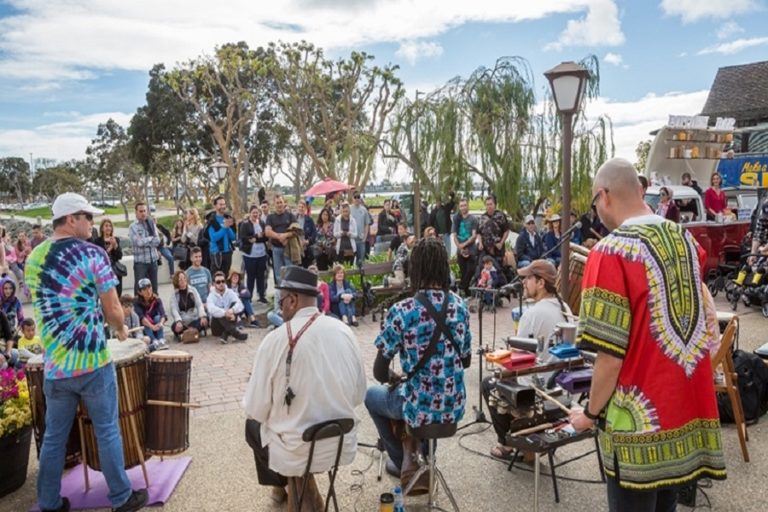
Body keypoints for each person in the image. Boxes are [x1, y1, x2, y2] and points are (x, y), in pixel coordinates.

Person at [570, 158, 726, 510]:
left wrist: (589, 414)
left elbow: (609, 355)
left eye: (595, 204)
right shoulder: (686, 241)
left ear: (603, 196)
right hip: (682, 416)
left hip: (635, 429)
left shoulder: (609, 252)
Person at [25, 192, 147, 512]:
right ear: (70, 219)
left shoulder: (34, 258)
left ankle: (49, 502)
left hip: (56, 367)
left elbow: (42, 302)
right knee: (107, 431)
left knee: (54, 438)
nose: (92, 223)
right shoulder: (93, 254)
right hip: (93, 361)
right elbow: (114, 309)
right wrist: (120, 328)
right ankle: (121, 498)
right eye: (87, 217)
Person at [243, 266, 366, 507]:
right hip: (341, 443)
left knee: (252, 426)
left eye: (281, 302)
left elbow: (255, 409)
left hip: (297, 450)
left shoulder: (274, 340)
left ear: (292, 300)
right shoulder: (344, 331)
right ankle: (296, 486)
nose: (280, 308)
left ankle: (286, 486)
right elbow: (359, 394)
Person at [364, 238, 472, 493]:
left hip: (417, 408)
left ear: (415, 270)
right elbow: (465, 361)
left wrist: (394, 377)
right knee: (425, 395)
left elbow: (379, 372)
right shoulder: (459, 306)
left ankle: (402, 460)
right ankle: (425, 458)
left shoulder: (402, 310)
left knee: (371, 396)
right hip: (452, 408)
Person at [481, 260, 572, 460]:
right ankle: (527, 443)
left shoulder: (531, 315)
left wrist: (500, 356)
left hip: (536, 396)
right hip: (561, 391)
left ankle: (510, 445)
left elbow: (517, 361)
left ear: (541, 283)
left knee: (489, 384)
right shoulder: (564, 306)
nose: (523, 282)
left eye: (528, 278)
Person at [206, 271, 248, 344]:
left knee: (235, 305)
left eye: (223, 281)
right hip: (216, 328)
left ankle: (225, 334)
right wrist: (225, 313)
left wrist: (232, 310)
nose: (221, 284)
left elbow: (240, 305)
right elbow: (211, 309)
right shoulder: (211, 296)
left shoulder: (230, 292)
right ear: (214, 284)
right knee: (218, 312)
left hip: (229, 322)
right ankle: (236, 334)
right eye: (218, 282)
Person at [239, 205, 269, 304]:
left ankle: (261, 295)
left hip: (262, 254)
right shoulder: (245, 224)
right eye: (253, 213)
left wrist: (256, 239)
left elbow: (266, 237)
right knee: (250, 276)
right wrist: (256, 236)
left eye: (257, 213)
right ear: (250, 213)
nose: (255, 215)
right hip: (249, 255)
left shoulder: (262, 223)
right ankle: (249, 296)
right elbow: (243, 238)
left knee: (261, 276)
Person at [129, 202, 161, 294]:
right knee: (139, 289)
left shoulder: (151, 223)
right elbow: (138, 243)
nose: (143, 213)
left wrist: (145, 240)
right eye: (141, 211)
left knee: (154, 289)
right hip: (140, 263)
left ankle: (154, 308)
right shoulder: (132, 227)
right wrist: (151, 238)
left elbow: (158, 241)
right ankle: (138, 308)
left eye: (144, 211)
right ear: (136, 212)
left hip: (153, 261)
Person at [265, 194, 297, 285]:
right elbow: (267, 232)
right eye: (277, 203)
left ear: (284, 203)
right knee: (279, 274)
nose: (279, 204)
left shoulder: (290, 216)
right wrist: (279, 237)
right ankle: (281, 295)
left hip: (288, 249)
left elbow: (296, 231)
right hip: (276, 249)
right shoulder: (270, 217)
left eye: (281, 202)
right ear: (274, 204)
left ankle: (291, 293)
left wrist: (285, 235)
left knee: (290, 272)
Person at [169, 270, 208, 341]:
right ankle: (194, 332)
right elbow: (174, 310)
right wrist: (178, 321)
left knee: (205, 320)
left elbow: (199, 304)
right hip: (183, 321)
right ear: (176, 282)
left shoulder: (193, 290)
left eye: (184, 278)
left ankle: (184, 334)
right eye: (180, 279)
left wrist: (202, 316)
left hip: (194, 319)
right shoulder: (174, 295)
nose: (183, 280)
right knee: (173, 327)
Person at [452, 198, 479, 297]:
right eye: (461, 206)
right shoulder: (456, 219)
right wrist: (459, 246)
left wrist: (464, 244)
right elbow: (454, 235)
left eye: (465, 205)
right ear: (459, 207)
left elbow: (474, 235)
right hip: (460, 251)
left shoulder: (473, 219)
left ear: (468, 206)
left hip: (471, 250)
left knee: (470, 271)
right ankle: (466, 294)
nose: (463, 207)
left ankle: (461, 287)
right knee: (463, 273)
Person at [205, 195, 237, 275]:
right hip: (216, 253)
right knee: (217, 278)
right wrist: (224, 228)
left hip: (228, 252)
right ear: (215, 206)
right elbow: (214, 238)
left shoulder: (228, 218)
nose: (223, 206)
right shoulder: (211, 220)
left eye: (224, 204)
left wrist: (228, 227)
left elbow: (233, 237)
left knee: (226, 277)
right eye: (220, 204)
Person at [134, 278, 168, 352]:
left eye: (149, 287)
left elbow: (163, 314)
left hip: (156, 326)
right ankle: (153, 341)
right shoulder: (136, 302)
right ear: (140, 292)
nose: (148, 291)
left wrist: (161, 323)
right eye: (144, 289)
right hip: (146, 328)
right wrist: (152, 326)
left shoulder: (157, 300)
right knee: (145, 320)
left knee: (158, 318)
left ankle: (161, 339)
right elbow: (141, 318)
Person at [477, 195, 509, 266]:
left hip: (498, 249)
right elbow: (478, 232)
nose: (489, 206)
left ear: (495, 205)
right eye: (487, 204)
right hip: (485, 250)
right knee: (482, 268)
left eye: (491, 204)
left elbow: (506, 231)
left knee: (497, 269)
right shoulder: (482, 218)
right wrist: (480, 243)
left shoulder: (501, 216)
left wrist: (501, 243)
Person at [95, 218, 124, 296]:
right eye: (106, 226)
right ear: (102, 228)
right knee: (106, 294)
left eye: (110, 226)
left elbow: (119, 256)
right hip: (104, 271)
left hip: (115, 271)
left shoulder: (116, 239)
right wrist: (110, 248)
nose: (108, 228)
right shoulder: (97, 241)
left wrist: (115, 246)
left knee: (118, 294)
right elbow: (99, 257)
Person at [349, 193, 371, 267]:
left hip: (361, 240)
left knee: (361, 261)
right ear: (352, 198)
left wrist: (365, 237)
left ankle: (361, 278)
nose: (357, 199)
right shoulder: (349, 209)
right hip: (351, 240)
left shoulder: (364, 209)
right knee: (350, 262)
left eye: (358, 197)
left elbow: (366, 224)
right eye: (355, 197)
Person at [296, 200, 317, 268]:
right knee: (297, 269)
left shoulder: (309, 220)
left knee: (307, 268)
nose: (301, 208)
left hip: (306, 249)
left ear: (305, 208)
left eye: (302, 207)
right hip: (296, 248)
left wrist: (308, 241)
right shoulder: (294, 219)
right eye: (299, 207)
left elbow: (314, 233)